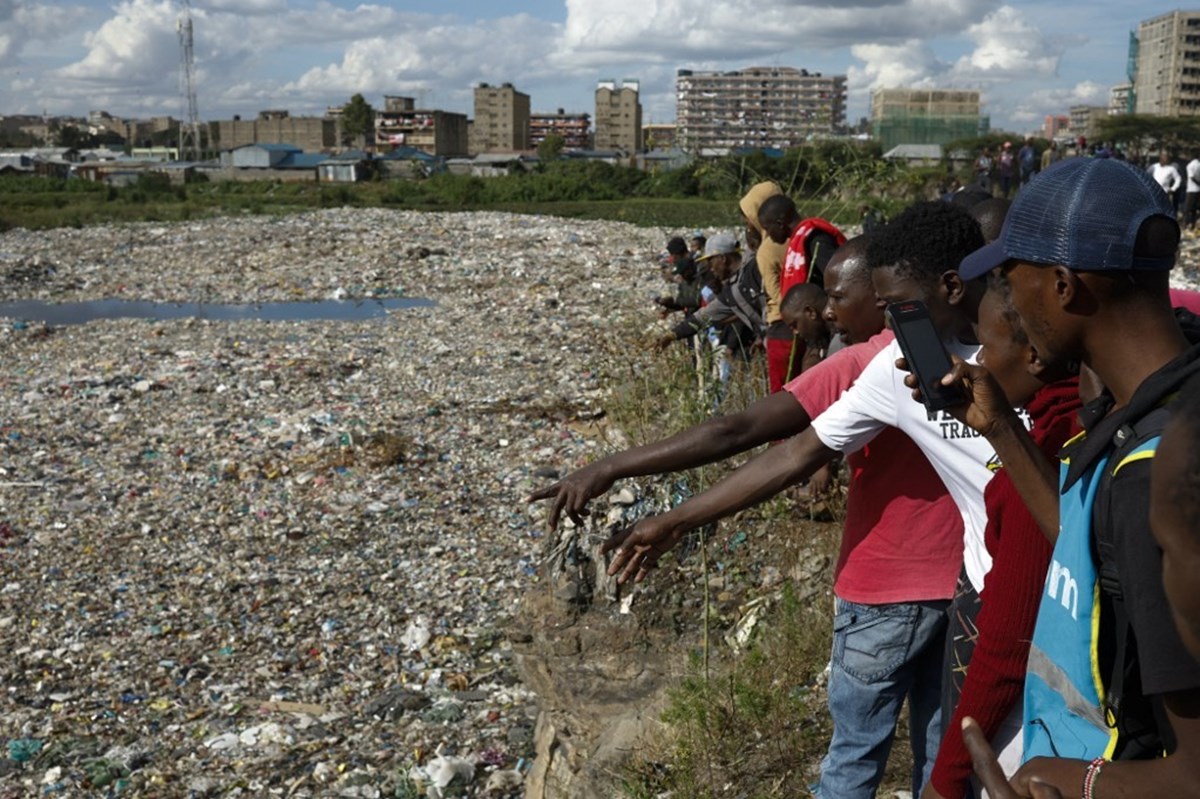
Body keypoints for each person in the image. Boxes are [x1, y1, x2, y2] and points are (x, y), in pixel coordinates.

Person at [603, 202, 1013, 796]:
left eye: (898, 304)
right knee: (942, 757)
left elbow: (749, 436)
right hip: (969, 592)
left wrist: (653, 501)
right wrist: (675, 520)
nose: (827, 311)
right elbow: (793, 453)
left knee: (894, 760)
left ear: (950, 287)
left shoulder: (1021, 360)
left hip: (944, 595)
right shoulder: (893, 370)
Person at [947, 156, 1200, 794]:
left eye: (1010, 276)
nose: (1003, 298)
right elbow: (1099, 549)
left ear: (1063, 286)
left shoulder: (1160, 471)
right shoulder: (1141, 400)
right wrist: (1000, 426)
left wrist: (1052, 780)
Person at [922, 276, 1080, 799]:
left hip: (1040, 730)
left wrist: (943, 781)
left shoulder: (1045, 456)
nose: (975, 363)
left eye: (985, 347)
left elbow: (1007, 653)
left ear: (1033, 354)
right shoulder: (1076, 422)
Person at [757, 194, 845, 390]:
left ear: (780, 223)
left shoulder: (815, 238)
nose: (768, 235)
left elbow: (837, 278)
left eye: (767, 228)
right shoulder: (801, 240)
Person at [655, 232, 764, 354]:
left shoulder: (755, 269)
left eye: (711, 262)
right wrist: (672, 335)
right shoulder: (730, 291)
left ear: (723, 259)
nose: (711, 269)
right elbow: (703, 316)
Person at [740, 182, 790, 387]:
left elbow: (776, 294)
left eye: (749, 219)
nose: (748, 226)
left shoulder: (768, 250)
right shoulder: (798, 236)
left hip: (783, 330)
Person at [779, 282, 830, 375]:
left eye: (795, 325)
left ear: (811, 312)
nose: (796, 332)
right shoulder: (820, 345)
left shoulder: (844, 340)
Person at [1185, 153, 1200, 231]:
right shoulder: (1199, 164)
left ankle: (1187, 225)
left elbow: (1191, 177)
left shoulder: (1190, 165)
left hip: (1191, 190)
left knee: (1187, 209)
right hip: (1198, 190)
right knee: (1194, 209)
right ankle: (1193, 225)